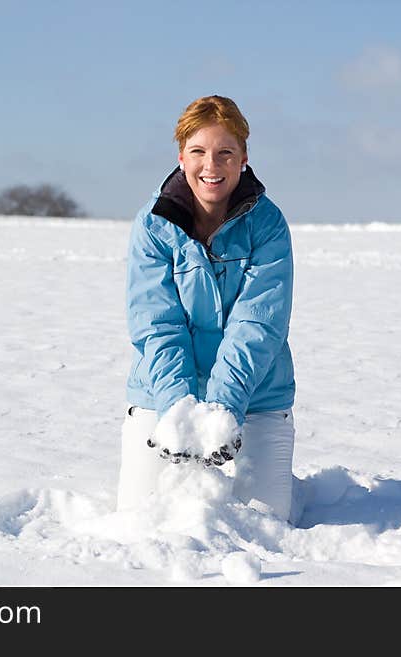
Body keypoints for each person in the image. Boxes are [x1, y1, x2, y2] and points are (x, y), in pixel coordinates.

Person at [117, 95, 297, 523]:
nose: (210, 166)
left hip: (257, 398)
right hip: (161, 397)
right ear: (181, 157)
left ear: (244, 158)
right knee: (140, 521)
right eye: (198, 151)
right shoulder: (152, 224)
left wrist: (221, 412)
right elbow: (157, 325)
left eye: (225, 153)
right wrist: (178, 410)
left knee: (267, 525)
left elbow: (258, 325)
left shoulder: (268, 224)